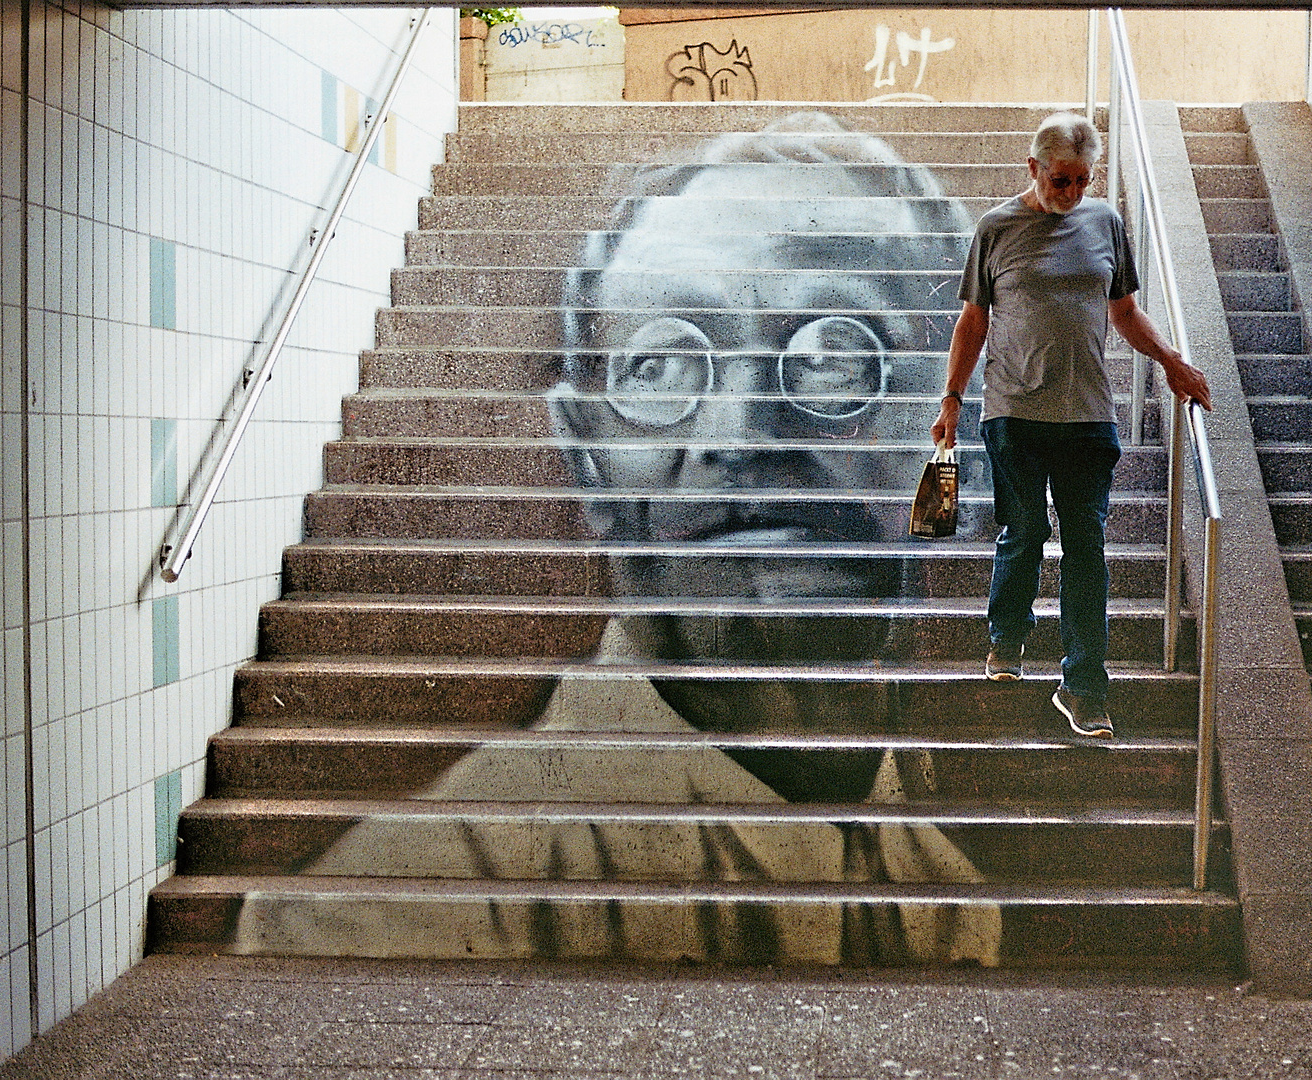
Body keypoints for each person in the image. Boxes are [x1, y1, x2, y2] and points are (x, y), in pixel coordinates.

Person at [231, 112, 1001, 967]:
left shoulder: (950, 896)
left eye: (836, 355)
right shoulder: (397, 912)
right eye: (662, 364)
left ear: (960, 445)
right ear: (587, 456)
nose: (741, 433)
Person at [930, 112, 1211, 740]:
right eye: (1061, 180)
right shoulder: (996, 229)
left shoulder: (1105, 223)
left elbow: (1126, 311)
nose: (1072, 193)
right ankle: (1007, 639)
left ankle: (1084, 687)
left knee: (1087, 550)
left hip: (1088, 414)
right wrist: (951, 397)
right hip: (1014, 410)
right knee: (1024, 530)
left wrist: (1171, 363)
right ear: (1033, 168)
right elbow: (972, 322)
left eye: (1083, 181)